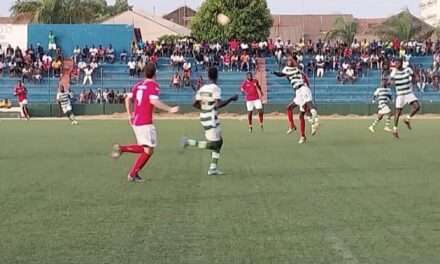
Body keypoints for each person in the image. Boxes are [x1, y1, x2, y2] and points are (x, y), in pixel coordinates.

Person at [111, 63, 179, 182]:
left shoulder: (138, 85)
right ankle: (128, 164)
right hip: (145, 122)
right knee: (148, 150)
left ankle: (132, 171)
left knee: (146, 149)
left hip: (136, 121)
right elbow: (154, 101)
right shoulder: (153, 85)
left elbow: (127, 99)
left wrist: (129, 114)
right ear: (155, 74)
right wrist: (170, 109)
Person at [181, 67, 239, 176]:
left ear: (208, 76)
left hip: (205, 116)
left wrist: (204, 109)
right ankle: (189, 142)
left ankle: (213, 168)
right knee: (214, 144)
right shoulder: (215, 88)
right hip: (211, 118)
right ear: (217, 76)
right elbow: (218, 104)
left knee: (220, 142)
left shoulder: (202, 88)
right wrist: (231, 99)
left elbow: (194, 103)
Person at [273, 55, 320, 144]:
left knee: (308, 105)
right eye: (288, 60)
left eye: (290, 60)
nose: (288, 61)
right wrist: (275, 73)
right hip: (298, 92)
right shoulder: (286, 69)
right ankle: (296, 127)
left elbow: (298, 68)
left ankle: (315, 121)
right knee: (291, 109)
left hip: (303, 88)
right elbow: (282, 74)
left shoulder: (298, 68)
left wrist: (293, 60)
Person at [389, 58, 420, 138]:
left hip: (408, 93)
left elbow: (414, 75)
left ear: (401, 63)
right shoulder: (394, 72)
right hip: (400, 94)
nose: (396, 64)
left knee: (417, 106)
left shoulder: (408, 70)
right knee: (398, 112)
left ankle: (407, 119)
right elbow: (391, 80)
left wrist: (415, 78)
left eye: (397, 63)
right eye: (395, 63)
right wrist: (391, 82)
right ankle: (395, 130)